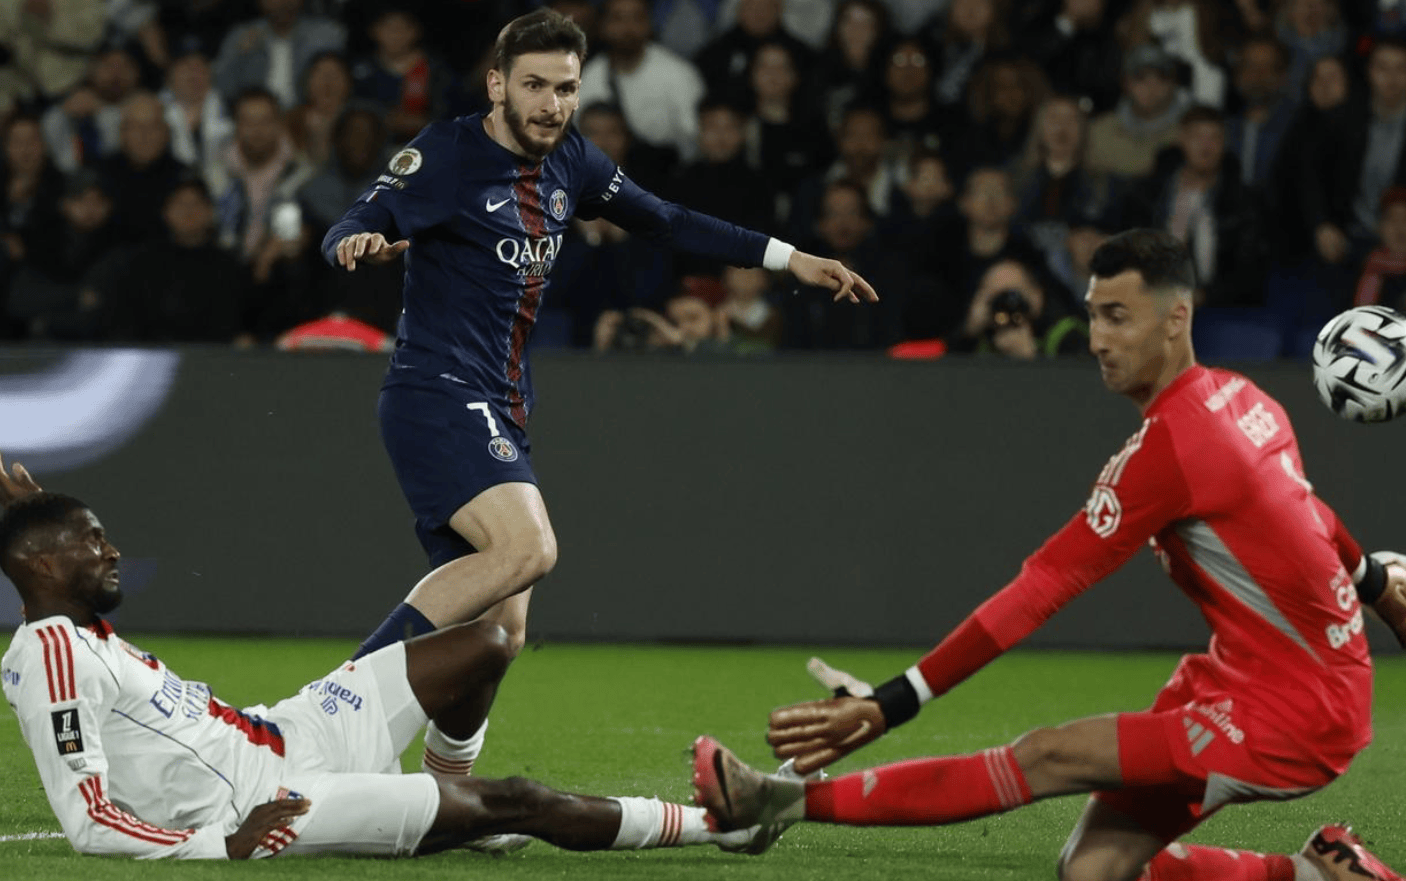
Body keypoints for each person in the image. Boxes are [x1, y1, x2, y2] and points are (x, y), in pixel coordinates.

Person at [692, 229, 1406, 881]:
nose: (1098, 339)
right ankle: (1319, 876)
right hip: (1253, 680)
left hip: (1297, 713)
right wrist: (1377, 585)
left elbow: (1042, 586)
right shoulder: (1243, 398)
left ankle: (775, 802)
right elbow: (1309, 510)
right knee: (1090, 872)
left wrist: (892, 703)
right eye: (1093, 315)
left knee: (1047, 755)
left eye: (1118, 317)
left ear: (1176, 318)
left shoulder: (1174, 447)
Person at [321, 9, 875, 778]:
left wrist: (789, 257)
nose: (552, 104)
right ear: (496, 85)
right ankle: (326, 717)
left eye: (566, 88)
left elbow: (667, 221)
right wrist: (356, 241)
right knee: (530, 547)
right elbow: (359, 215)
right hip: (435, 390)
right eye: (535, 85)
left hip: (504, 405)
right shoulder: (447, 153)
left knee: (498, 635)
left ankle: (447, 794)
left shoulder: (572, 161)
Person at [0, 456, 782, 861]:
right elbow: (88, 819)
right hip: (277, 798)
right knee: (517, 798)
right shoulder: (51, 655)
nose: (113, 550)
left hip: (287, 730)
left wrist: (33, 512)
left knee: (487, 643)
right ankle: (722, 825)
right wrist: (222, 843)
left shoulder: (72, 626)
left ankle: (452, 803)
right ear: (40, 563)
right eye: (92, 540)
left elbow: (43, 562)